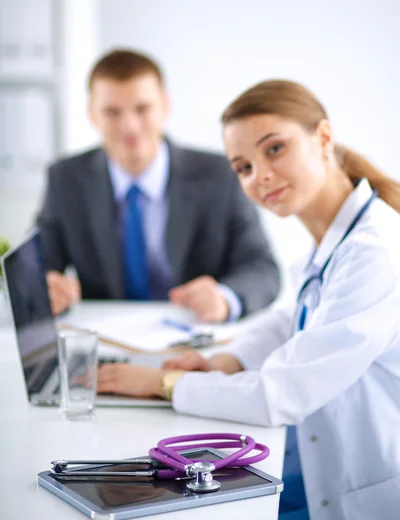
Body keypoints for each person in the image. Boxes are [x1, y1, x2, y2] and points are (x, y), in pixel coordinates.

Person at [96, 79, 400, 520]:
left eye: (274, 149)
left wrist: (162, 385)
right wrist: (226, 361)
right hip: (307, 471)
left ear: (324, 138)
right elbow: (292, 320)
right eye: (243, 167)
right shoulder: (333, 239)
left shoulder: (375, 251)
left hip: (363, 492)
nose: (261, 176)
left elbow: (283, 393)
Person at [37, 49, 280, 322]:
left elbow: (262, 268)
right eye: (112, 112)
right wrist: (44, 287)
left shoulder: (219, 176)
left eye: (142, 109)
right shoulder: (65, 179)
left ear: (165, 105)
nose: (129, 126)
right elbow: (37, 264)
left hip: (197, 336)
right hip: (107, 338)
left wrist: (225, 298)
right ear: (92, 114)